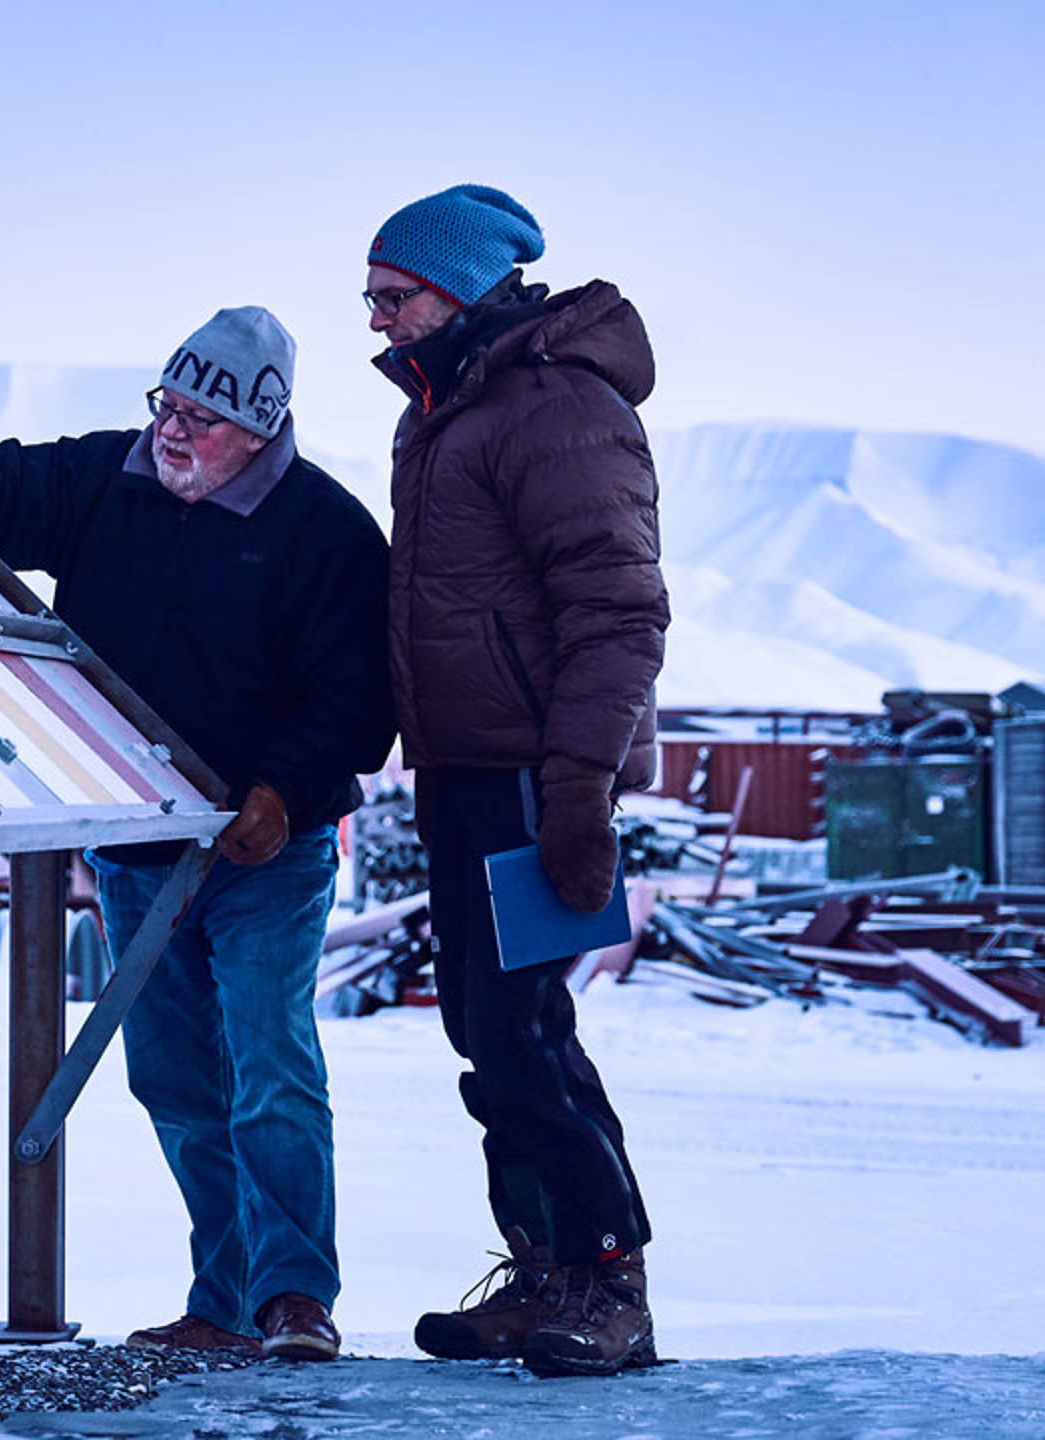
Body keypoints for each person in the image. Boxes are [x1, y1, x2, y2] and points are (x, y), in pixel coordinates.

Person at [0, 307, 392, 1362]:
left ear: (258, 426)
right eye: (166, 403)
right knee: (170, 1073)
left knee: (268, 1062)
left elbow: (355, 698)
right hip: (136, 845)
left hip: (267, 848)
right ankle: (224, 1296)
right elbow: (9, 479)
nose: (173, 430)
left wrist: (282, 793)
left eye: (201, 416)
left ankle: (295, 1296)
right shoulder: (106, 481)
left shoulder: (326, 531)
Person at [362, 184, 670, 1378]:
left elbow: (618, 607)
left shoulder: (553, 406)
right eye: (372, 296)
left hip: (538, 778)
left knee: (525, 1034)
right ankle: (542, 1267)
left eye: (395, 295)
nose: (377, 319)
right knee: (490, 1034)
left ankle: (608, 1282)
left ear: (464, 286)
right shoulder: (449, 411)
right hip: (466, 771)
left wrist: (582, 786)